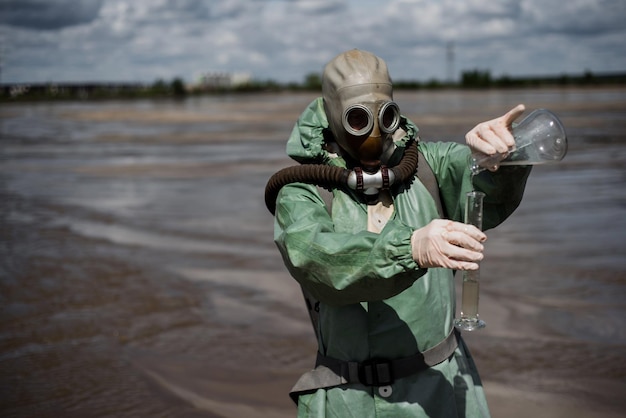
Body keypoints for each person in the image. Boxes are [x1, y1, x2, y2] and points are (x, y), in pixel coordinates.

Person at [267, 49, 531, 417]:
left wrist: (504, 156)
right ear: (330, 115)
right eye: (357, 118)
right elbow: (317, 258)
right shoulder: (304, 191)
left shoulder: (427, 168)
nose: (373, 130)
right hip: (352, 400)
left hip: (439, 393)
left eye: (383, 115)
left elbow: (484, 188)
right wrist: (410, 248)